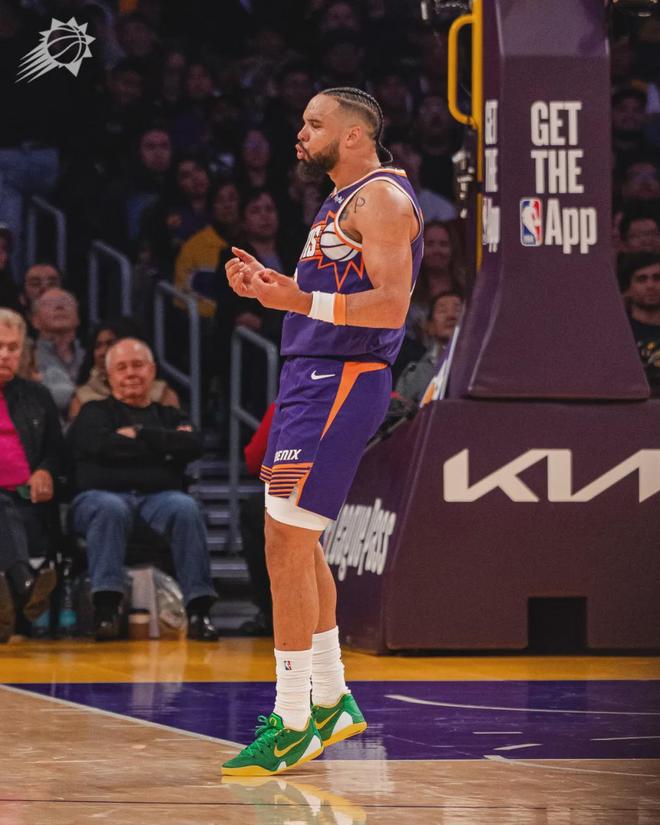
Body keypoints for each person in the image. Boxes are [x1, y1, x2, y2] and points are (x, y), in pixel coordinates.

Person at [221, 86, 422, 775]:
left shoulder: (381, 199)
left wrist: (298, 297)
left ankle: (293, 718)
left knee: (285, 542)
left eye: (314, 124)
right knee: (295, 541)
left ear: (355, 135)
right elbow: (329, 297)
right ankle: (332, 698)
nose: (301, 134)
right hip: (312, 375)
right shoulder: (341, 200)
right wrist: (273, 287)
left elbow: (390, 306)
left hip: (342, 379)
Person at [69, 338, 219, 642]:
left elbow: (192, 444)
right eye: (122, 367)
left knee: (186, 507)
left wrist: (139, 434)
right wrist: (161, 447)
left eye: (138, 365)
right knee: (110, 508)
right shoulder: (92, 412)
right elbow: (98, 447)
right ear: (109, 375)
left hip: (159, 500)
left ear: (151, 371)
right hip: (98, 499)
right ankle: (106, 610)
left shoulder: (170, 414)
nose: (131, 373)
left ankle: (198, 611)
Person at [0, 309, 61, 642]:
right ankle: (25, 584)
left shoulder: (37, 396)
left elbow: (57, 450)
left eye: (13, 347)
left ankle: (12, 605)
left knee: (11, 512)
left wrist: (45, 470)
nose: (5, 355)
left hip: (27, 499)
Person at [69, 320, 180, 420]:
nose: (101, 353)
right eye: (97, 346)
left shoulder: (162, 394)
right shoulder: (82, 398)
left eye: (110, 343)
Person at [396, 291, 463, 405]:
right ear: (430, 326)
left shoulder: (479, 369)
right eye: (442, 311)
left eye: (458, 310)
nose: (451, 316)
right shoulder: (415, 374)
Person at [32, 288, 86, 421]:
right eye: (49, 303)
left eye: (66, 302)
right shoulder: (27, 358)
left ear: (78, 317)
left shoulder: (93, 355)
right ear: (35, 320)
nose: (59, 307)